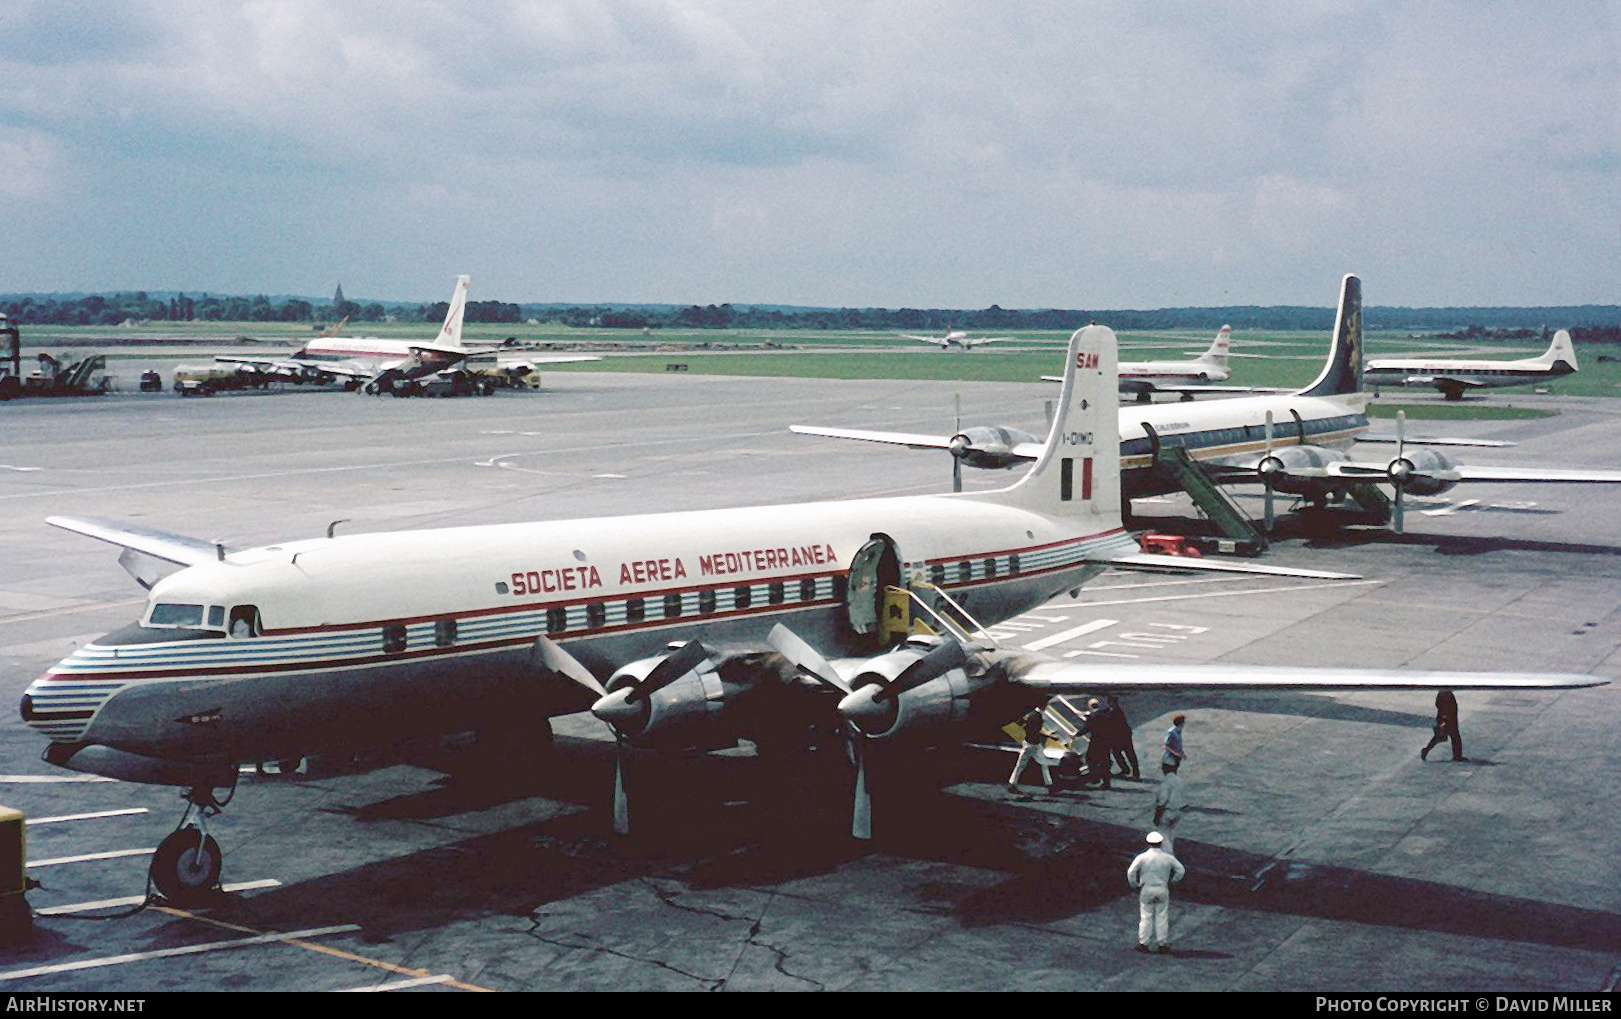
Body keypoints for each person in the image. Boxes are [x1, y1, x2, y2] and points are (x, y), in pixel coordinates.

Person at [1126, 830, 1185, 954]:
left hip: (1146, 889)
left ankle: (1144, 943)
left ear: (1148, 843)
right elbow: (1181, 870)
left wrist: (1134, 884)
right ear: (1161, 843)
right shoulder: (1168, 858)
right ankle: (1162, 943)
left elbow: (1131, 872)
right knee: (1162, 916)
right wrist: (1173, 881)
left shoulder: (1142, 857)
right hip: (1162, 888)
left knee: (1146, 916)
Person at [1007, 707, 1050, 793]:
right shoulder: (1038, 717)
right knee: (1043, 763)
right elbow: (1035, 731)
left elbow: (1024, 725)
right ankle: (1049, 784)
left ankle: (1012, 783)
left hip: (1029, 743)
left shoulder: (1032, 714)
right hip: (1034, 744)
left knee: (1020, 765)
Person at [1421, 689, 1464, 761]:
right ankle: (1457, 756)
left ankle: (1426, 750)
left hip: (1449, 718)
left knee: (1442, 736)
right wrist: (1444, 719)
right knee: (1453, 737)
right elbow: (1442, 707)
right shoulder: (1444, 695)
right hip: (1447, 718)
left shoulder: (1445, 694)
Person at [1103, 694, 1140, 778]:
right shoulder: (1112, 709)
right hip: (1122, 735)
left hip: (1122, 736)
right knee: (1123, 753)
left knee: (1127, 753)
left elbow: (1106, 718)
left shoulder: (1115, 712)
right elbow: (1103, 712)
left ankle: (1131, 771)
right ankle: (1128, 770)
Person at [1154, 764, 1187, 854]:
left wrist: (1157, 815)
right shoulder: (1180, 780)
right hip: (1178, 811)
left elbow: (1162, 800)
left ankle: (1168, 859)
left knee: (1163, 837)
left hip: (1167, 812)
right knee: (1170, 835)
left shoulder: (1166, 782)